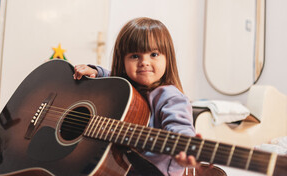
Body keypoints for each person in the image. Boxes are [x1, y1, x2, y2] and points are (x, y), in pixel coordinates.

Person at [74, 17, 197, 176]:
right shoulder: (127, 87)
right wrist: (97, 72)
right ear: (123, 61)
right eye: (134, 56)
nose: (144, 62)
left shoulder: (170, 97)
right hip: (119, 168)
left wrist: (185, 149)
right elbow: (115, 79)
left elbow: (180, 128)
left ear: (168, 59)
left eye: (154, 54)